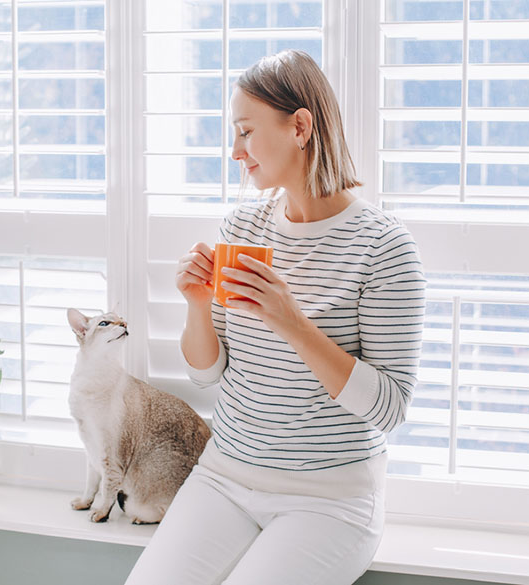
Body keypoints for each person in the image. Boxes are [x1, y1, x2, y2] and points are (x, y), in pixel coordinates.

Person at [124, 49, 426, 585]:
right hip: (224, 476)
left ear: (300, 127)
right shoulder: (242, 228)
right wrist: (196, 304)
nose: (236, 151)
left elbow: (389, 409)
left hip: (329, 498)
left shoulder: (384, 247)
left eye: (245, 131)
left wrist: (291, 321)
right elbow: (207, 374)